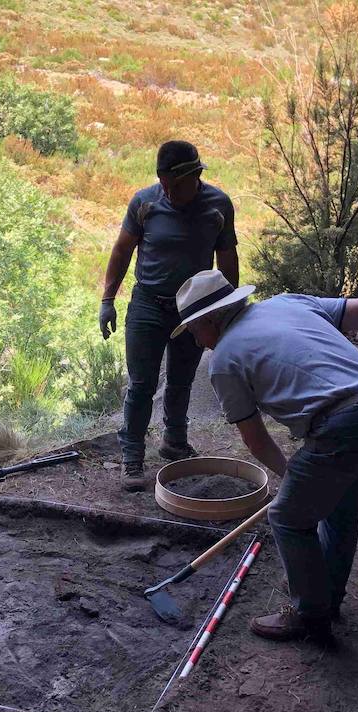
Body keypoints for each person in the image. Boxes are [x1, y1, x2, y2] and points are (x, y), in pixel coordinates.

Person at [170, 270, 358, 643]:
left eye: (193, 331)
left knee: (287, 516)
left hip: (344, 424)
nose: (199, 342)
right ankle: (327, 602)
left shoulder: (224, 360)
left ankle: (309, 616)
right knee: (339, 511)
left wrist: (294, 479)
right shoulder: (286, 303)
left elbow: (256, 440)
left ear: (208, 320)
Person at [99, 140, 239, 492]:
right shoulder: (145, 203)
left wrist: (226, 311)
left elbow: (227, 258)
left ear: (196, 175)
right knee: (142, 385)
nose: (169, 191)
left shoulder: (217, 206)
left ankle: (174, 442)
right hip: (147, 303)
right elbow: (122, 250)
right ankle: (132, 456)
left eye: (176, 185)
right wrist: (107, 300)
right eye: (164, 183)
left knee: (181, 381)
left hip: (194, 308)